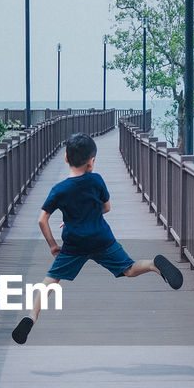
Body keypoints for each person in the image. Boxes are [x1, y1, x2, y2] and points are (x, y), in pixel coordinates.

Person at [11, 131, 183, 344]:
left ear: (66, 158)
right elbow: (106, 208)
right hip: (102, 239)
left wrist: (54, 245)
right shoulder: (96, 180)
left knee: (51, 280)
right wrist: (88, 215)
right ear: (91, 162)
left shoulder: (59, 189)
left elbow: (41, 220)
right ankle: (154, 265)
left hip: (74, 243)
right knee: (128, 269)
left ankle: (32, 315)